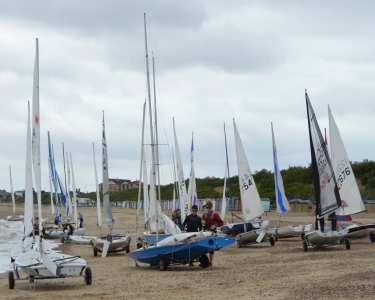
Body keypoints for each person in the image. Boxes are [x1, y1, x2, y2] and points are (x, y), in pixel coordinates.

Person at [201, 200, 223, 266]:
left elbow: (221, 222)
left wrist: (215, 225)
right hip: (205, 232)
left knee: (211, 248)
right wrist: (202, 221)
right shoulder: (204, 214)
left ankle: (210, 262)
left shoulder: (215, 214)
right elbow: (201, 220)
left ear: (211, 207)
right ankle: (204, 261)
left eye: (209, 208)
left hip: (212, 232)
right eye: (207, 208)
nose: (208, 209)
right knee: (204, 247)